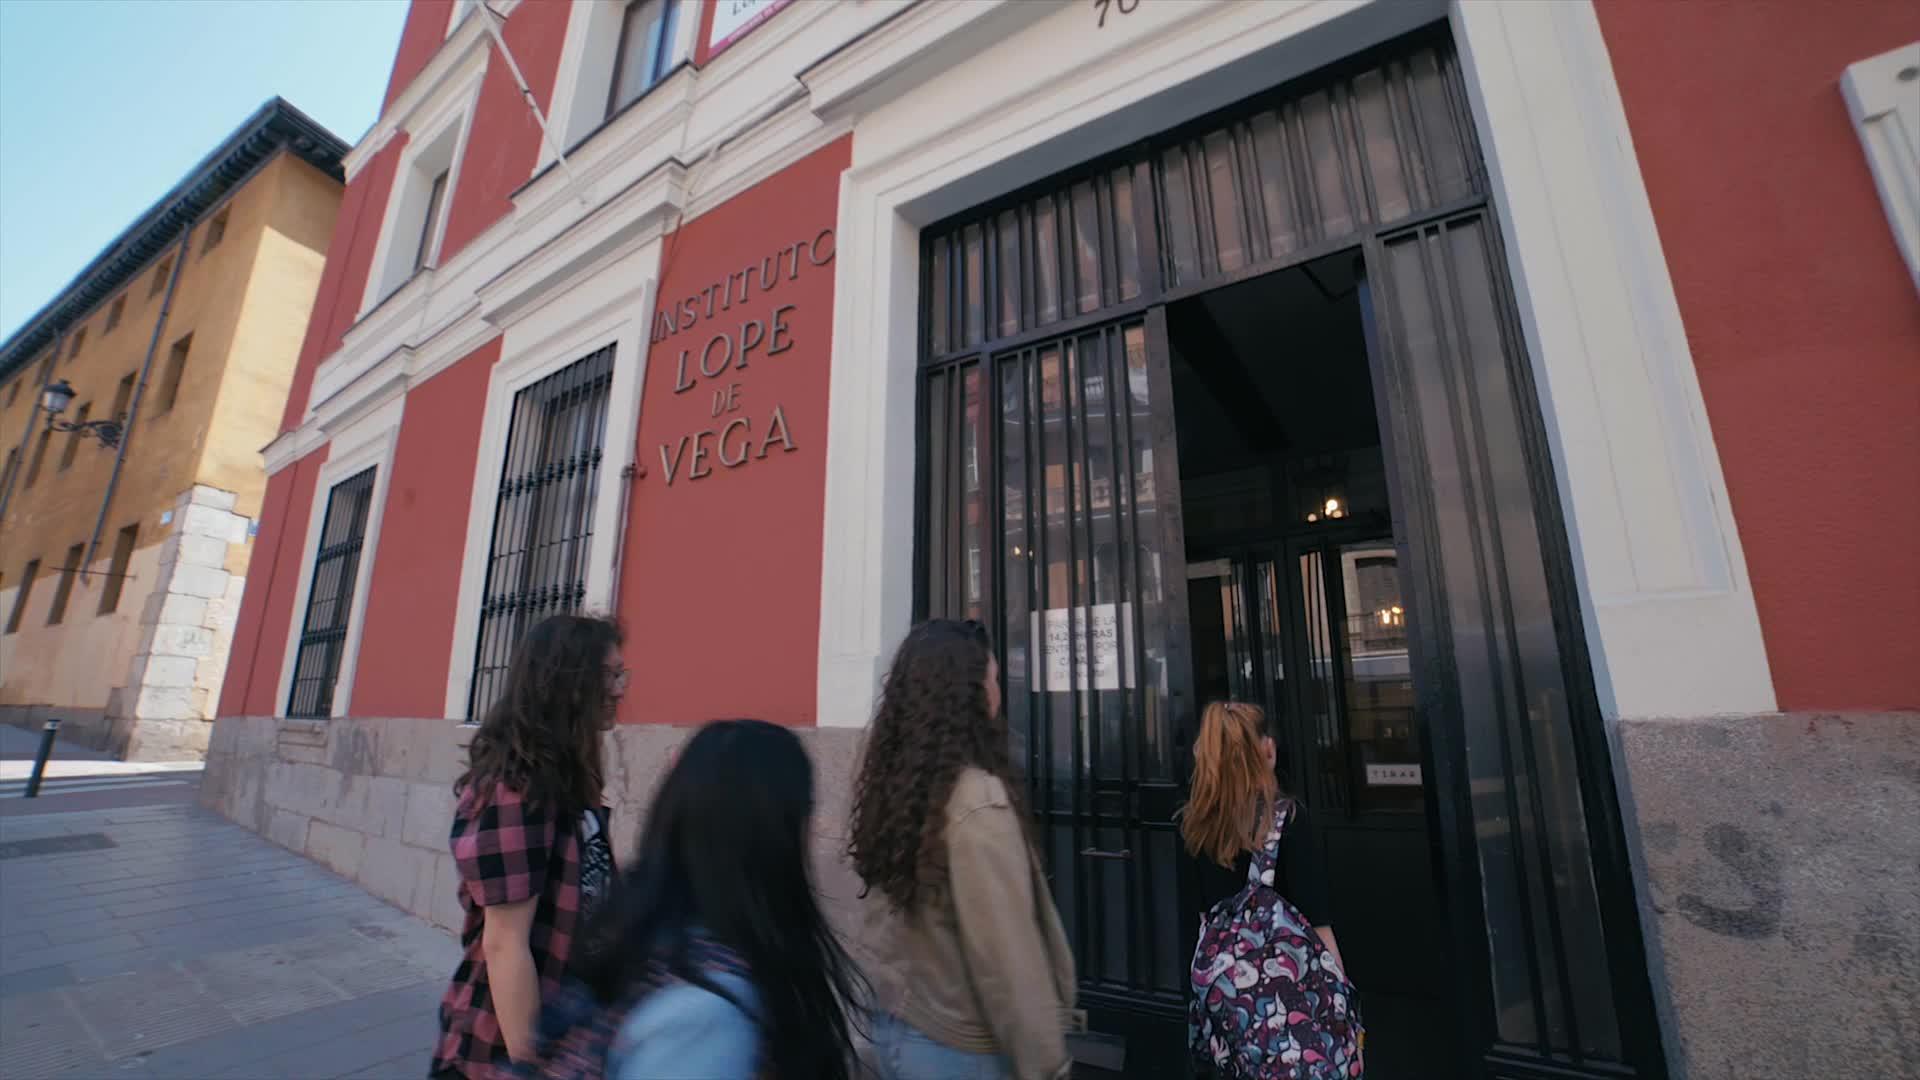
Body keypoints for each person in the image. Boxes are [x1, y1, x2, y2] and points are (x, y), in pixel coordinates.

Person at [849, 618, 1080, 1080]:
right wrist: (1048, 1066)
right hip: (958, 1050)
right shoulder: (977, 801)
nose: (999, 692)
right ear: (967, 694)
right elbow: (1007, 957)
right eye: (992, 679)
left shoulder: (892, 782)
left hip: (896, 1028)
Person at [433, 614, 627, 1079]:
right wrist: (532, 1068)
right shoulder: (518, 789)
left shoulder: (565, 777)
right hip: (496, 1051)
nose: (619, 689)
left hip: (564, 1027)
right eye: (608, 675)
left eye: (622, 674)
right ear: (566, 683)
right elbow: (504, 944)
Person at [1181, 701, 1363, 1079]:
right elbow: (1318, 926)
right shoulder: (1288, 819)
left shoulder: (1195, 826)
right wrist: (1343, 999)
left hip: (1229, 1011)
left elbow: (1203, 923)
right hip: (1290, 1018)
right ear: (1265, 749)